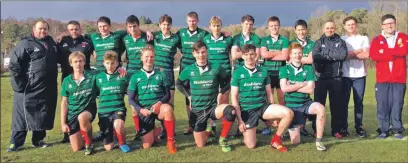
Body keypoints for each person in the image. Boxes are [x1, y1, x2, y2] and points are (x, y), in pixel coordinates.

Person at [231, 44, 293, 152]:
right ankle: (248, 131)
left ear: (256, 55)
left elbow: (269, 94)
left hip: (262, 107)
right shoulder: (237, 73)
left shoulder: (263, 71)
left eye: (252, 54)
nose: (249, 57)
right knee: (251, 145)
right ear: (242, 56)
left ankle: (276, 140)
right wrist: (239, 120)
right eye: (246, 54)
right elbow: (234, 98)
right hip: (247, 110)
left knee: (289, 113)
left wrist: (273, 117)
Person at [176, 41, 236, 152]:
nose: (201, 55)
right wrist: (189, 96)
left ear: (207, 52)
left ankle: (222, 139)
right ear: (193, 53)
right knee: (201, 144)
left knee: (230, 111)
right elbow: (178, 83)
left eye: (203, 52)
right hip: (198, 110)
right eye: (198, 52)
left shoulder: (216, 67)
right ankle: (207, 131)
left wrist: (221, 92)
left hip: (213, 107)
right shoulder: (189, 69)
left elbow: (228, 80)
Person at [8, 20, 58, 152]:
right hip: (29, 87)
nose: (43, 31)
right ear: (34, 29)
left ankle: (38, 140)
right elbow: (14, 64)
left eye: (45, 29)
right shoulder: (25, 43)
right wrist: (19, 84)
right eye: (40, 28)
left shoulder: (51, 43)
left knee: (42, 113)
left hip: (47, 87)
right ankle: (15, 142)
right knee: (22, 115)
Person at [128, 45, 177, 154]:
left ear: (154, 58)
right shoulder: (135, 76)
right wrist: (141, 110)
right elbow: (131, 99)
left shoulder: (161, 73)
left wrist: (159, 103)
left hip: (158, 109)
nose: (149, 59)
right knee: (147, 145)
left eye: (151, 56)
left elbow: (167, 95)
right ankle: (155, 131)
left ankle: (170, 141)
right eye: (146, 56)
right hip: (145, 111)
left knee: (168, 109)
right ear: (141, 58)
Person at [279, 43, 327, 151]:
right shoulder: (284, 69)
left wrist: (292, 86)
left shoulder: (308, 69)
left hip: (306, 103)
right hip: (292, 106)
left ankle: (319, 141)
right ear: (290, 55)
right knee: (296, 142)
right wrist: (301, 84)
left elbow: (310, 90)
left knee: (321, 108)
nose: (298, 55)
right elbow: (284, 88)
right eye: (295, 53)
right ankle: (287, 127)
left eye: (300, 53)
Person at [370, 14, 407, 139]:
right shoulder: (376, 40)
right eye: (386, 23)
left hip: (399, 78)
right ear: (382, 26)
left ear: (395, 23)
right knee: (382, 105)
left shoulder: (403, 36)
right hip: (382, 79)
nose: (389, 25)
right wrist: (393, 52)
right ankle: (384, 129)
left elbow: (403, 51)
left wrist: (385, 51)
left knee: (397, 104)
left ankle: (397, 129)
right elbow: (374, 56)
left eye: (391, 23)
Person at [58, 20, 94, 143]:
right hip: (68, 78)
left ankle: (86, 130)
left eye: (76, 29)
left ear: (80, 29)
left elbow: (96, 55)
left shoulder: (87, 42)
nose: (74, 31)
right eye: (71, 29)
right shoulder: (62, 41)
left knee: (85, 102)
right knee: (68, 104)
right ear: (68, 30)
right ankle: (67, 132)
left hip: (85, 78)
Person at [312, 20, 348, 139]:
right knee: (318, 105)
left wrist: (326, 56)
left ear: (335, 28)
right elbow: (316, 56)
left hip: (336, 78)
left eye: (331, 28)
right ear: (323, 29)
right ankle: (317, 130)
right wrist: (333, 56)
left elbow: (342, 55)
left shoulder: (341, 42)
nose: (329, 30)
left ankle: (336, 130)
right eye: (327, 28)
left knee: (336, 106)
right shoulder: (318, 42)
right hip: (321, 78)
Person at [176, 11, 209, 135]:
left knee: (202, 94)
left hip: (199, 68)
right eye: (189, 20)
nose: (192, 23)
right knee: (188, 97)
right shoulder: (181, 33)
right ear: (187, 21)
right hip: (185, 68)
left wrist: (225, 33)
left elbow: (211, 40)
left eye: (194, 20)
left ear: (197, 21)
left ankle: (204, 123)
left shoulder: (203, 33)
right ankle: (191, 124)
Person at [230, 14, 263, 137]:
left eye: (250, 24)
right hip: (239, 71)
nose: (248, 26)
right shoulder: (236, 38)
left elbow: (257, 56)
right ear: (241, 24)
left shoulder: (256, 38)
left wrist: (242, 53)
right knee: (237, 98)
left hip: (252, 70)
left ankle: (254, 124)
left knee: (253, 97)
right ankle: (239, 124)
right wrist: (249, 53)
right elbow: (233, 55)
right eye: (246, 24)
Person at [150, 14, 181, 140]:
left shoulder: (176, 38)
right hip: (156, 74)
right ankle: (153, 128)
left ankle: (169, 130)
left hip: (168, 72)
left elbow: (187, 47)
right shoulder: (155, 36)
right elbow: (138, 35)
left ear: (170, 26)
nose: (166, 26)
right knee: (156, 101)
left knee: (170, 102)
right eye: (163, 24)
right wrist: (145, 31)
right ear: (159, 25)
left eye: (168, 24)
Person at [60, 51, 97, 155]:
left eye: (80, 61)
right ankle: (84, 133)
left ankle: (89, 145)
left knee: (82, 117)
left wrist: (120, 69)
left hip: (88, 109)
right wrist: (63, 123)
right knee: (76, 148)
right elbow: (64, 102)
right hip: (72, 113)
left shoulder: (92, 76)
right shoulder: (67, 81)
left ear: (84, 62)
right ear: (71, 63)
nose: (78, 64)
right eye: (75, 61)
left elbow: (108, 71)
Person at [95, 51, 131, 152]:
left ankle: (122, 143)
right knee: (108, 148)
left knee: (119, 124)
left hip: (118, 108)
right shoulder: (98, 77)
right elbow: (95, 93)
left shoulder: (123, 75)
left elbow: (132, 87)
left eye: (112, 63)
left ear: (117, 63)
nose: (110, 66)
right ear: (103, 63)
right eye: (107, 63)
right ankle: (110, 133)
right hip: (103, 111)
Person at [260, 16, 290, 136]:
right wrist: (279, 52)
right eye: (272, 26)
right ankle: (269, 126)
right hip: (268, 73)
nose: (274, 28)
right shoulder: (264, 39)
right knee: (269, 100)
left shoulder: (284, 39)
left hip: (281, 73)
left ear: (279, 26)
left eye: (276, 25)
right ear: (268, 27)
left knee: (282, 99)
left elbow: (284, 57)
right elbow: (263, 55)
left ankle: (283, 127)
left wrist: (270, 54)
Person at [341, 16, 370, 138]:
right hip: (345, 75)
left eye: (353, 24)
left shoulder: (363, 38)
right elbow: (342, 55)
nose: (351, 26)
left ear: (356, 25)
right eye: (348, 25)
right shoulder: (342, 39)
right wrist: (358, 51)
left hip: (360, 75)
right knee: (344, 103)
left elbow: (366, 54)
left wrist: (350, 54)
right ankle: (343, 127)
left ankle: (359, 127)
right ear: (344, 26)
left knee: (358, 102)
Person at [289, 19, 316, 137]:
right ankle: (291, 126)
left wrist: (297, 58)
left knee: (305, 99)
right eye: (299, 30)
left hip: (307, 74)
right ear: (295, 31)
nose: (301, 32)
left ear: (306, 29)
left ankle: (302, 126)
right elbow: (289, 59)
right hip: (294, 74)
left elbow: (310, 60)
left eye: (303, 29)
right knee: (292, 99)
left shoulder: (312, 43)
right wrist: (300, 59)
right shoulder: (291, 43)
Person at [203, 16, 233, 105]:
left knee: (225, 97)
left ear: (221, 26)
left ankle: (226, 119)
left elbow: (233, 54)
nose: (216, 28)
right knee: (212, 97)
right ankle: (213, 118)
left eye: (218, 26)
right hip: (212, 72)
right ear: (210, 27)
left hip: (225, 71)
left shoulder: (228, 39)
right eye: (214, 26)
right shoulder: (206, 39)